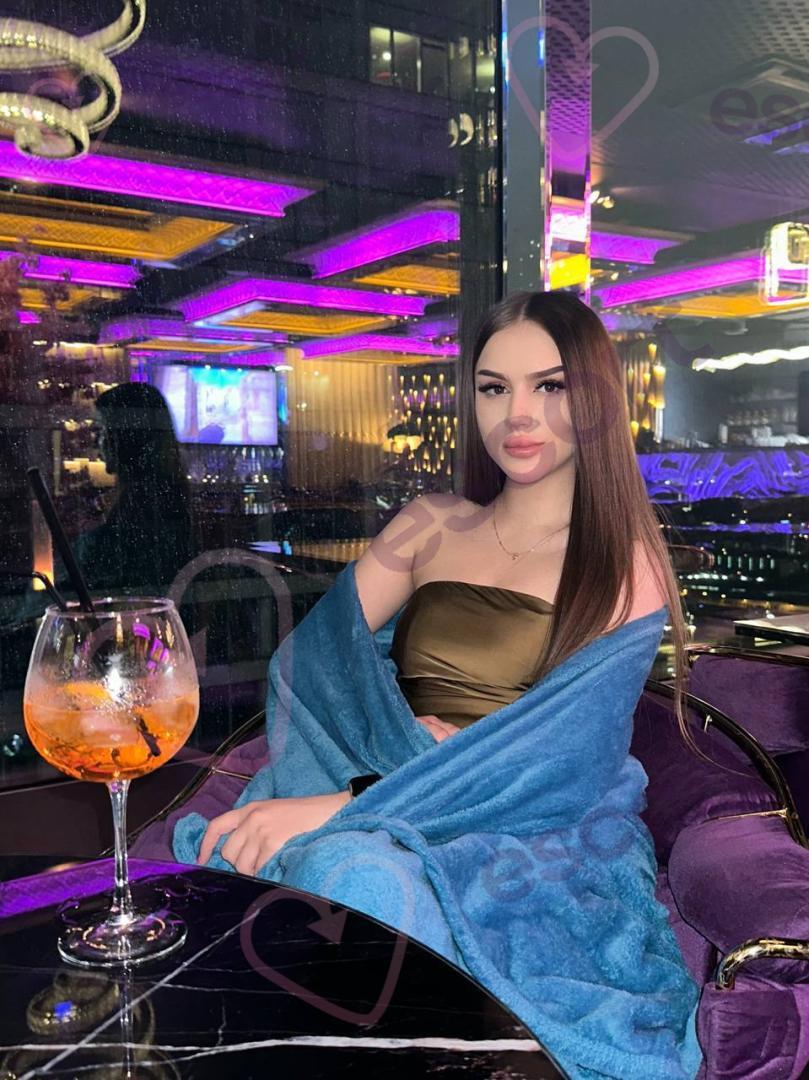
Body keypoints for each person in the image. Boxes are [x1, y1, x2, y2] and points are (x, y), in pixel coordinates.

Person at [197, 288, 699, 874]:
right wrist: (396, 736)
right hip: (385, 776)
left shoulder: (624, 563)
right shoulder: (428, 524)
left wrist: (362, 798)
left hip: (521, 834)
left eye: (549, 386)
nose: (517, 413)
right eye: (494, 388)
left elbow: (567, 763)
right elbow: (309, 664)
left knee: (353, 875)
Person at [74, 382, 197, 594]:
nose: (97, 442)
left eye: (102, 430)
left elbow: (120, 582)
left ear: (126, 437)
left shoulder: (147, 506)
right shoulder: (164, 496)